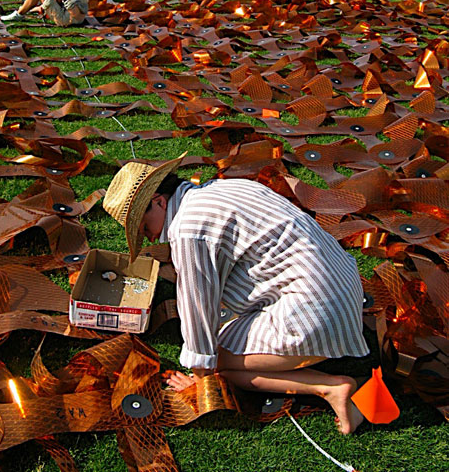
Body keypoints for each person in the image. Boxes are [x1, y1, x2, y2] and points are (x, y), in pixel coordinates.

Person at [103, 155, 369, 435]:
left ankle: (330, 387)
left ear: (158, 201)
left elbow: (198, 307)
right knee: (222, 347)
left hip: (317, 315)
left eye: (144, 227)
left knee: (220, 366)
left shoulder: (188, 230)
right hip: (344, 290)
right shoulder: (221, 188)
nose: (148, 238)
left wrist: (202, 375)